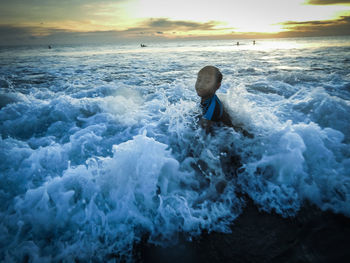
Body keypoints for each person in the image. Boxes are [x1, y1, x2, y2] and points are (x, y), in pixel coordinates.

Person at [195, 65, 253, 137]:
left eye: (207, 82)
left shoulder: (213, 106)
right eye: (199, 80)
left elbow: (204, 133)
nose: (201, 85)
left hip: (231, 135)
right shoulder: (207, 98)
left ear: (217, 86)